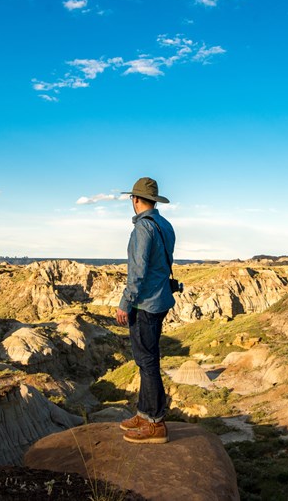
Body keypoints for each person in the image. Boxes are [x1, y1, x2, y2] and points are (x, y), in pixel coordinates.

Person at [115, 176, 176, 444]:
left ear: (135, 199)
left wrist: (125, 303)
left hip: (145, 305)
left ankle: (154, 423)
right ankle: (144, 412)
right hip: (161, 300)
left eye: (132, 198)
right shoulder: (165, 225)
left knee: (147, 362)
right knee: (147, 361)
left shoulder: (142, 228)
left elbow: (137, 273)